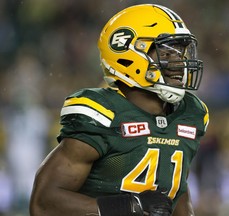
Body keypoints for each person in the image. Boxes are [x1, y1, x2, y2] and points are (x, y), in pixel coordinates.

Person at [29, 4, 209, 216]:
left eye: (181, 51)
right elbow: (44, 203)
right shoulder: (104, 114)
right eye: (167, 51)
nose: (180, 60)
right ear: (128, 51)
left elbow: (175, 191)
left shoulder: (190, 114)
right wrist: (129, 205)